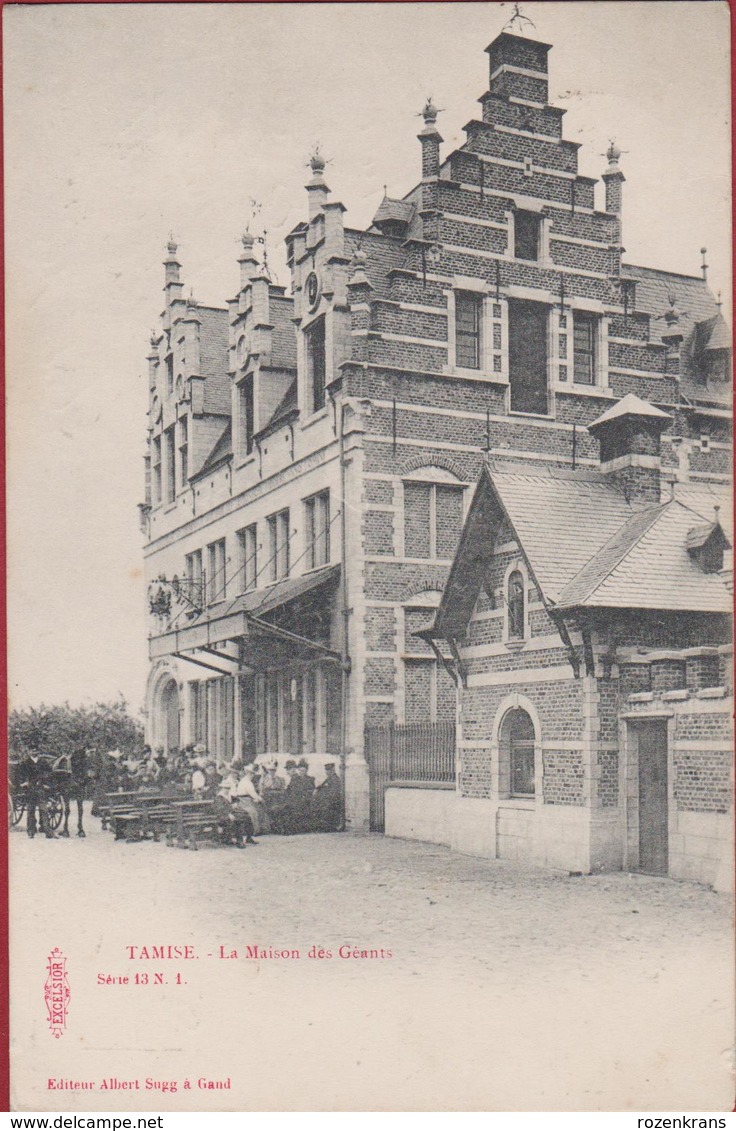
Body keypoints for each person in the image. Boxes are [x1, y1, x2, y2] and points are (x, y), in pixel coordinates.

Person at [19, 750, 54, 839]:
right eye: (32, 750)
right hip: (30, 789)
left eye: (36, 749)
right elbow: (21, 775)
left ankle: (47, 831)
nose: (34, 751)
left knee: (44, 809)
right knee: (31, 810)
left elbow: (50, 773)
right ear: (29, 752)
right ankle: (31, 831)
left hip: (41, 788)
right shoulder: (25, 763)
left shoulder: (43, 762)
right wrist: (24, 783)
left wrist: (47, 783)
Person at [310, 762, 343, 832]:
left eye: (329, 770)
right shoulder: (329, 778)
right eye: (327, 770)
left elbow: (333, 792)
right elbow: (321, 786)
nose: (328, 772)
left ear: (333, 770)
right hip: (326, 800)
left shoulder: (335, 779)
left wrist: (323, 795)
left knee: (321, 807)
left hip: (332, 801)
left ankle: (325, 826)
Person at [234, 765, 266, 835]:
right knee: (255, 811)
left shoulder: (244, 781)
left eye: (253, 774)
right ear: (247, 774)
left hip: (245, 800)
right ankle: (256, 830)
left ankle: (260, 828)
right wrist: (260, 799)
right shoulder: (247, 782)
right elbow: (253, 794)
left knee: (258, 807)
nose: (252, 775)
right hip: (245, 801)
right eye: (251, 774)